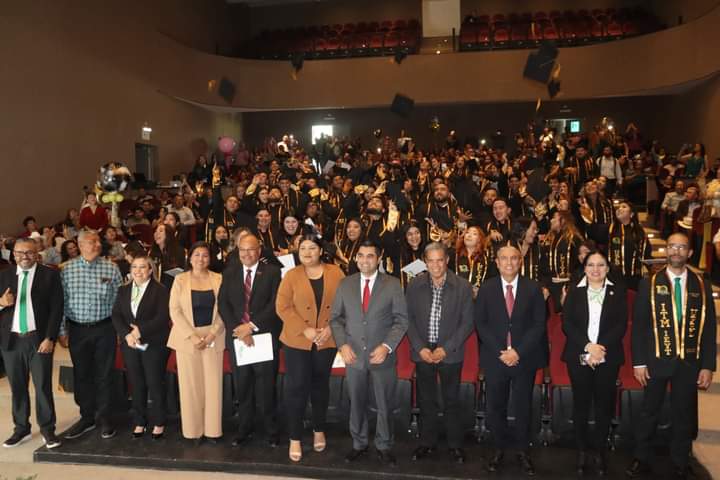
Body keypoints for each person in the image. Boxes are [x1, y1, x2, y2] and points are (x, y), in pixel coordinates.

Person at [626, 232, 716, 479]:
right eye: (672, 246)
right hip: (656, 360)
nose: (676, 251)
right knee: (649, 412)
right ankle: (641, 457)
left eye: (682, 247)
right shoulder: (650, 283)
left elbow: (708, 329)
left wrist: (708, 365)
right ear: (666, 250)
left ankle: (681, 459)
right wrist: (639, 362)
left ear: (689, 253)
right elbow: (641, 326)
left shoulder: (701, 284)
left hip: (689, 361)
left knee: (684, 414)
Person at [330, 240, 409, 467]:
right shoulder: (345, 284)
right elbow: (336, 319)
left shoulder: (393, 284)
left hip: (381, 355)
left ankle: (384, 445)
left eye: (370, 256)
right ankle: (359, 444)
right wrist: (342, 345)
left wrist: (386, 346)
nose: (365, 260)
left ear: (378, 259)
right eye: (361, 256)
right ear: (356, 259)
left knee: (384, 404)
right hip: (353, 356)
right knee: (357, 402)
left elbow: (401, 320)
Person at [475, 244, 547, 476]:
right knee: (495, 406)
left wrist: (517, 351)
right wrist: (501, 351)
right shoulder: (486, 289)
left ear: (520, 262)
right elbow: (481, 324)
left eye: (514, 258)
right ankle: (498, 448)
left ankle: (522, 450)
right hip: (495, 358)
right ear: (496, 262)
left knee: (523, 406)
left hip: (524, 358)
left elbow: (538, 325)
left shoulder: (533, 288)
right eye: (504, 258)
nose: (509, 263)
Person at [275, 235, 345, 462]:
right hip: (297, 340)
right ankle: (294, 437)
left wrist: (331, 329)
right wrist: (304, 329)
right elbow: (282, 307)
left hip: (326, 340)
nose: (307, 252)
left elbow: (344, 305)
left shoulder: (336, 272)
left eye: (312, 247)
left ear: (320, 250)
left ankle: (319, 429)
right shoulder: (291, 275)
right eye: (302, 248)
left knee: (319, 386)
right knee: (296, 388)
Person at [405, 242, 474, 464]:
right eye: (431, 261)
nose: (435, 265)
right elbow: (408, 319)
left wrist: (446, 348)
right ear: (425, 262)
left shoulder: (463, 286)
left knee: (451, 400)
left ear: (447, 260)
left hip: (450, 352)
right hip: (423, 352)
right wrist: (420, 347)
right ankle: (427, 442)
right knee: (426, 400)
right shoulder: (414, 285)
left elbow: (467, 323)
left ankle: (455, 445)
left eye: (439, 260)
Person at [562, 250, 627, 476]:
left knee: (603, 405)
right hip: (578, 355)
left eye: (601, 265)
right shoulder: (574, 291)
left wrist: (599, 349)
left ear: (608, 268)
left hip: (607, 356)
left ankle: (599, 451)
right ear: (585, 267)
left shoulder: (618, 292)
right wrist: (588, 346)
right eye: (591, 265)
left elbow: (620, 325)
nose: (596, 269)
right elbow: (567, 324)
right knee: (580, 404)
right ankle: (581, 450)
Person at [218, 233, 281, 448]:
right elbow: (223, 304)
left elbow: (275, 304)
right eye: (242, 249)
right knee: (242, 386)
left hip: (262, 337)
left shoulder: (273, 273)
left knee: (266, 387)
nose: (246, 253)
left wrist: (251, 326)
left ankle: (271, 431)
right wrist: (238, 328)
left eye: (251, 249)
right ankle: (244, 429)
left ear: (259, 250)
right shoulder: (230, 272)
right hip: (238, 339)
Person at [0, 238, 63, 448]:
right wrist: (1, 303)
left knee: (43, 386)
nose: (23, 257)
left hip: (39, 340)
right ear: (13, 254)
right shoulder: (4, 276)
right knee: (17, 387)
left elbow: (56, 309)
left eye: (28, 252)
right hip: (11, 341)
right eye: (19, 252)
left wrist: (50, 338)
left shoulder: (50, 275)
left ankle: (48, 430)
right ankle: (21, 429)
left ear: (37, 253)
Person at [60, 230, 122, 440]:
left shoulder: (111, 268)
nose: (96, 244)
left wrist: (120, 330)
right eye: (91, 241)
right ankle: (86, 417)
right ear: (79, 245)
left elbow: (118, 303)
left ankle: (105, 418)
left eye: (97, 241)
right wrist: (62, 331)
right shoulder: (66, 270)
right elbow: (62, 303)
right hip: (77, 330)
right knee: (82, 374)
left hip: (104, 329)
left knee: (104, 374)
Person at [168, 242, 225, 443]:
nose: (201, 259)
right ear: (190, 258)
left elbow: (225, 310)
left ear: (210, 259)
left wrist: (211, 335)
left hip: (213, 337)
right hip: (187, 339)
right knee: (190, 386)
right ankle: (193, 431)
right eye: (197, 255)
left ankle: (212, 431)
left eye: (205, 255)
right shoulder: (180, 280)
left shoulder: (219, 279)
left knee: (213, 386)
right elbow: (174, 310)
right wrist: (192, 337)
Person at [111, 254, 170, 440]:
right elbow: (116, 315)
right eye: (134, 267)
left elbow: (162, 318)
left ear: (150, 270)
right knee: (136, 383)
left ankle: (159, 421)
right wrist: (127, 334)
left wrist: (140, 331)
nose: (138, 271)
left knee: (154, 382)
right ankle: (139, 420)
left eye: (142, 267)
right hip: (130, 344)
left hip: (154, 344)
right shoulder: (123, 290)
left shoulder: (160, 290)